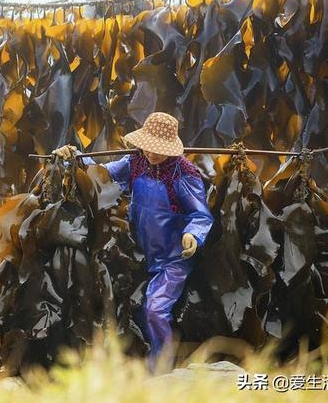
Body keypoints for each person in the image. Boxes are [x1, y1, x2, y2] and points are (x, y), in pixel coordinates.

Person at [53, 112, 214, 372]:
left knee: (155, 309)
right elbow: (100, 174)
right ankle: (136, 360)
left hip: (172, 259)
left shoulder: (184, 174)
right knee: (131, 307)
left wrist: (193, 234)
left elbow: (201, 215)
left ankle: (161, 368)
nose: (152, 154)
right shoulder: (135, 162)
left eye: (158, 150)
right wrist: (75, 158)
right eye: (148, 148)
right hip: (138, 252)